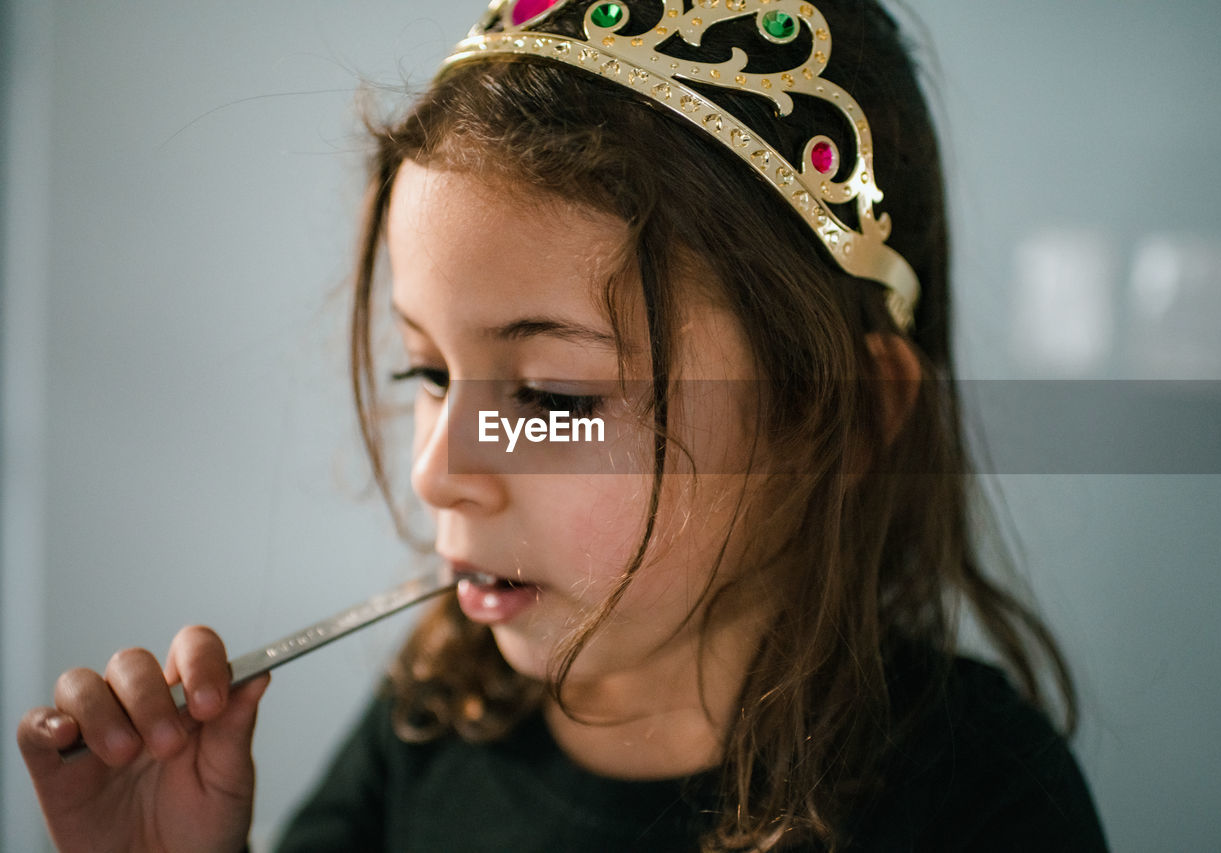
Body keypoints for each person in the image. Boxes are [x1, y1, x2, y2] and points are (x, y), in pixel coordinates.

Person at [17, 0, 1109, 849]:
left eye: (550, 397)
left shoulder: (977, 793)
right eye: (428, 372)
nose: (441, 472)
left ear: (845, 416)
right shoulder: (432, 722)